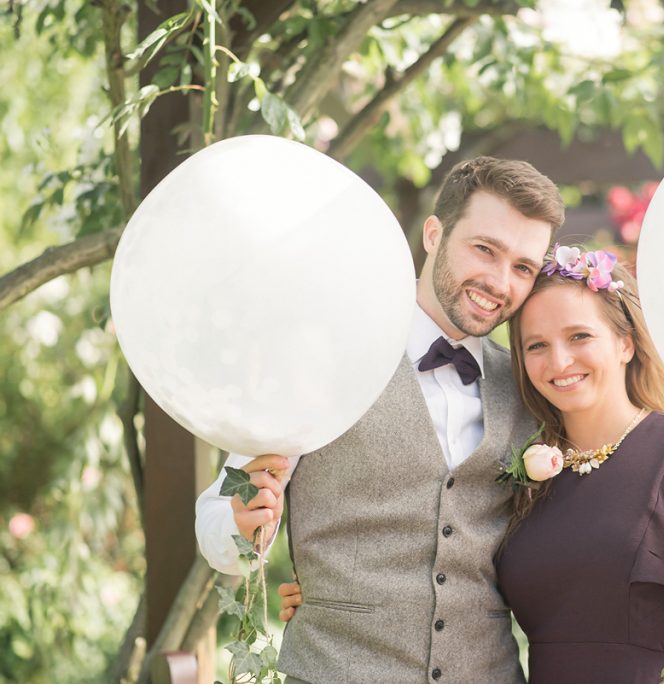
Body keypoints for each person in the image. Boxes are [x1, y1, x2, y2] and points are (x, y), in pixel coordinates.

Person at [283, 246, 664, 682]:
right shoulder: (525, 461)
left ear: (626, 343)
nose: (559, 362)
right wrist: (330, 593)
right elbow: (451, 555)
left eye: (579, 337)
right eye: (537, 346)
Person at [195, 156, 564, 683]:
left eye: (523, 267)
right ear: (434, 234)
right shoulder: (322, 362)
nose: (500, 281)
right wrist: (240, 523)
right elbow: (217, 516)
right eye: (485, 249)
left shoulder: (531, 386)